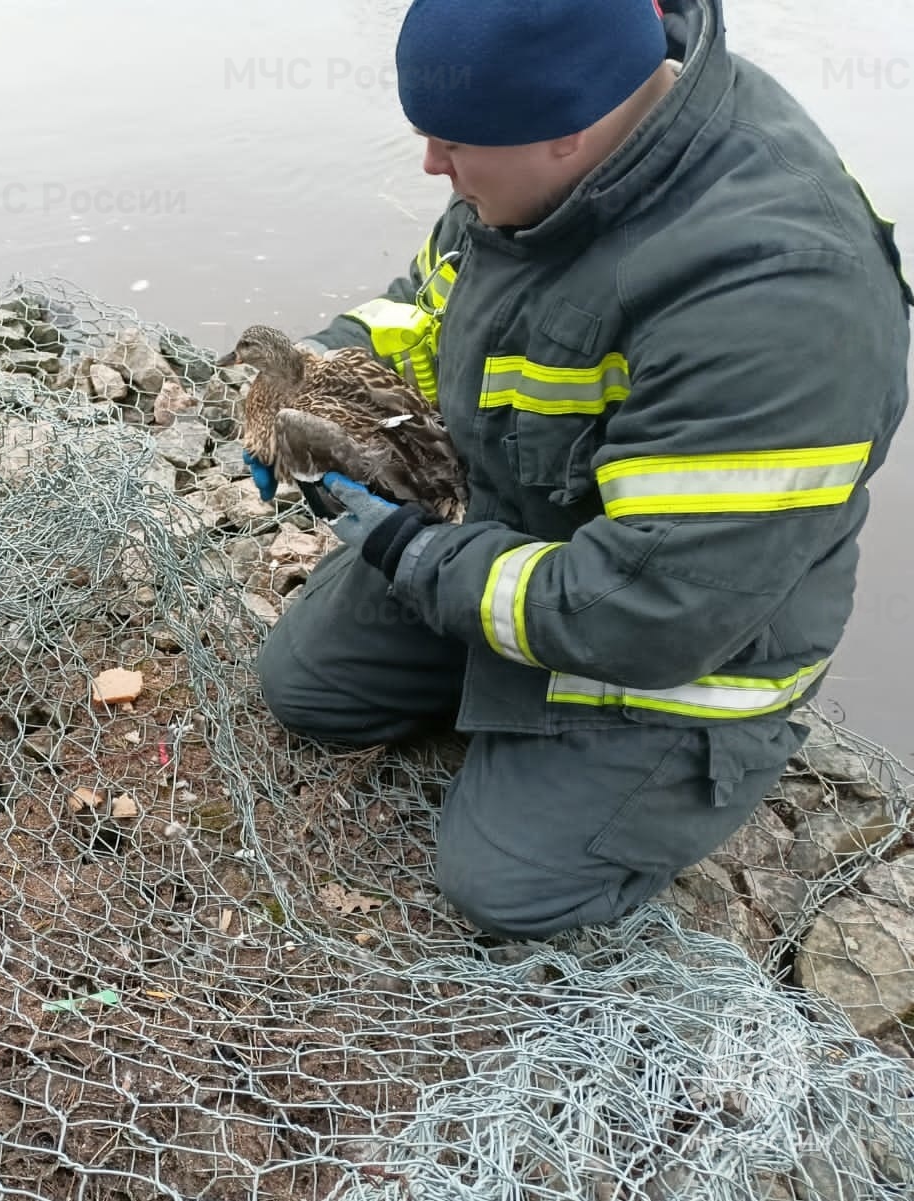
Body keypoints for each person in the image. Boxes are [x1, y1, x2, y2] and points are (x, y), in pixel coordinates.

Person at [252, 0, 912, 941]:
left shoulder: (779, 294)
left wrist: (411, 549)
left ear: (564, 132)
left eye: (451, 144)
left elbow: (644, 610)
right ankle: (493, 670)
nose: (433, 166)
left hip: (678, 638)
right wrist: (311, 378)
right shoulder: (542, 150)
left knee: (504, 886)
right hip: (524, 527)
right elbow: (431, 302)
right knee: (306, 692)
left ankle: (707, 758)